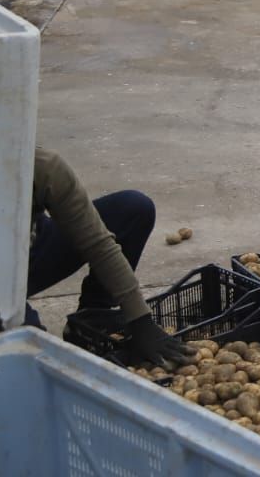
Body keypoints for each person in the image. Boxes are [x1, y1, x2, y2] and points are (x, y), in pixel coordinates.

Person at [28, 147, 193, 368]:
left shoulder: (41, 166)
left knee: (133, 208)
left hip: (30, 252)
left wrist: (140, 319)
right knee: (32, 358)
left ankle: (91, 319)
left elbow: (97, 242)